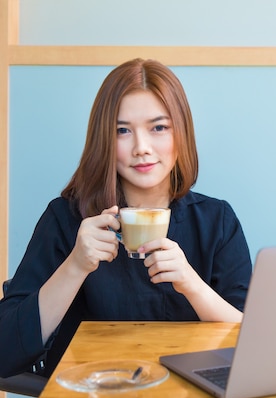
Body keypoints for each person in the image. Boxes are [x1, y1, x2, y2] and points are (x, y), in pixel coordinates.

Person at [0, 58, 252, 379]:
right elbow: (4, 351)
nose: (141, 148)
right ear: (104, 139)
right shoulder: (65, 219)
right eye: (122, 131)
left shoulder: (217, 221)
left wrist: (192, 286)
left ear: (182, 133)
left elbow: (253, 341)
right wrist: (75, 266)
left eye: (158, 127)